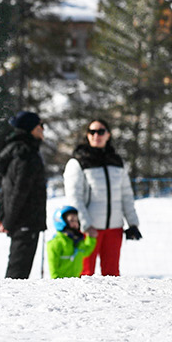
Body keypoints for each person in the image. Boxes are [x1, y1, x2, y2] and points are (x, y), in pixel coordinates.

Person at [63, 118, 142, 276]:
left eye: (100, 131)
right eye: (92, 132)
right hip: (89, 230)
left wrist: (133, 223)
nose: (96, 135)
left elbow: (126, 195)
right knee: (85, 274)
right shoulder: (78, 162)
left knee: (112, 275)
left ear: (108, 135)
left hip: (114, 229)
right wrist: (85, 225)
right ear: (87, 135)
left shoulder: (117, 162)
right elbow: (74, 197)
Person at [0, 110, 48, 279]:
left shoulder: (16, 151)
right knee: (17, 277)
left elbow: (5, 188)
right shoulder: (27, 155)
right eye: (41, 125)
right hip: (26, 222)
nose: (43, 129)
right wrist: (8, 221)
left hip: (20, 221)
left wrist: (3, 217)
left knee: (17, 274)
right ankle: (7, 305)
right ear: (31, 128)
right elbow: (19, 191)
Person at [46, 205, 98, 278]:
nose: (75, 223)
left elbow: (86, 252)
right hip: (61, 282)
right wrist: (56, 283)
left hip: (75, 281)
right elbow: (53, 268)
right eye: (72, 220)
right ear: (62, 221)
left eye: (77, 220)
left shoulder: (78, 240)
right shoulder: (56, 243)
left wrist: (91, 239)